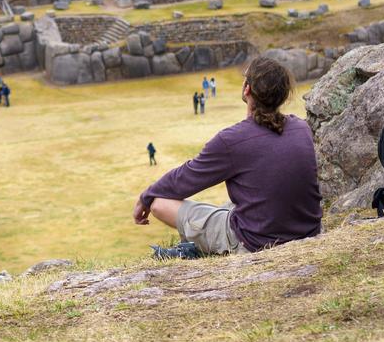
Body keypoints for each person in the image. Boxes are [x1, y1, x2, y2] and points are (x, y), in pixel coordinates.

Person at [133, 57, 322, 260]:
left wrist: (146, 197)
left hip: (257, 242)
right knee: (230, 205)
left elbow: (184, 180)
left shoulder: (232, 140)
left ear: (247, 89)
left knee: (159, 203)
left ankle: (199, 248)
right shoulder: (301, 128)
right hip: (309, 232)